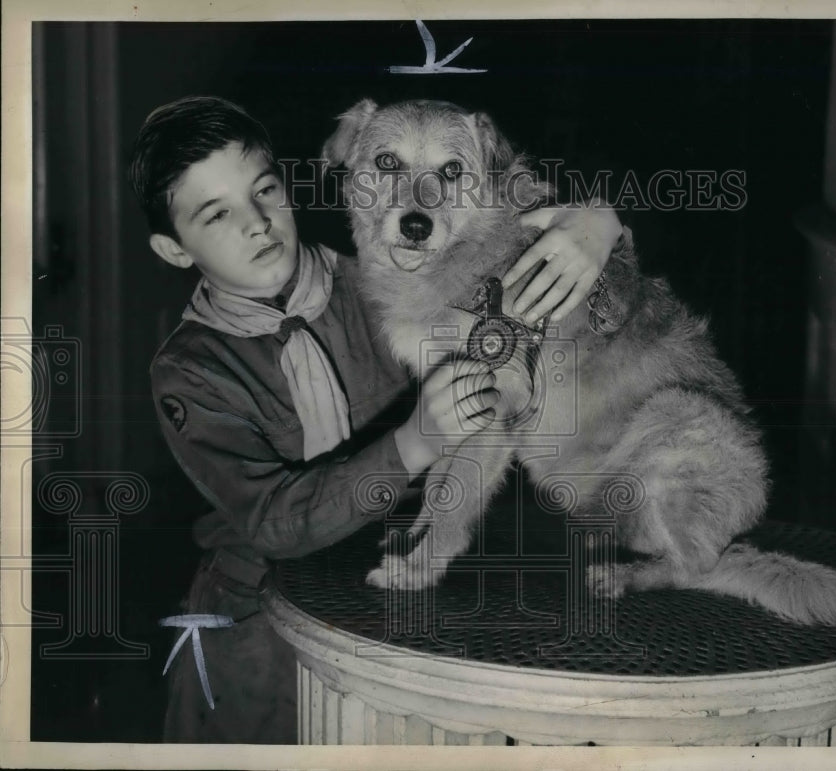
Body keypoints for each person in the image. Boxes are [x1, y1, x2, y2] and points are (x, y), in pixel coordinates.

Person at [128, 95, 624, 744]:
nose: (257, 224)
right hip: (259, 624)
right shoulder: (189, 371)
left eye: (265, 191)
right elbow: (275, 520)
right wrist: (416, 441)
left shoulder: (388, 278)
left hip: (394, 594)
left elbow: (511, 242)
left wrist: (599, 225)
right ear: (172, 248)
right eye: (216, 213)